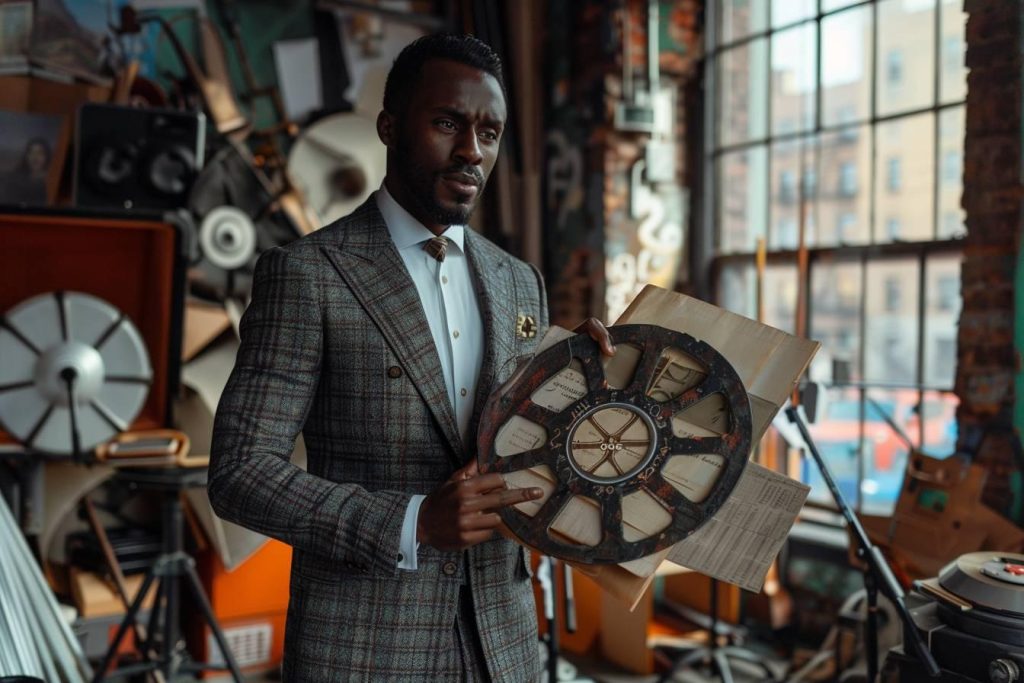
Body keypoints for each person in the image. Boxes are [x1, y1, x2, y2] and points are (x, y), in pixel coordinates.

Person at [209, 33, 613, 681]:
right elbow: (238, 471)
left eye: (490, 130)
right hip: (364, 647)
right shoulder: (308, 273)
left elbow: (522, 449)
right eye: (448, 122)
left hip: (502, 645)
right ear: (390, 127)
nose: (471, 150)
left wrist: (595, 388)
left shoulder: (519, 282)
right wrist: (412, 521)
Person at [0, 137, 50, 205]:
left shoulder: (53, 180)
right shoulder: (15, 180)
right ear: (26, 156)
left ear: (47, 156)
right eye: (31, 152)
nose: (35, 157)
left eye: (40, 153)